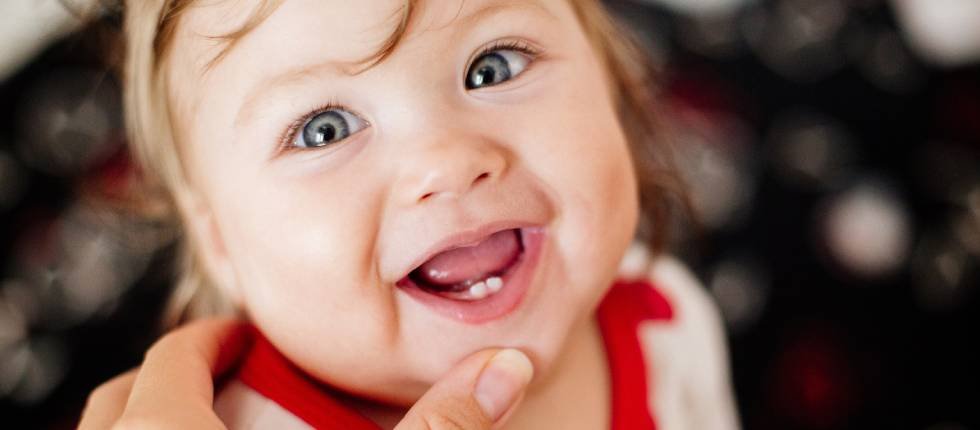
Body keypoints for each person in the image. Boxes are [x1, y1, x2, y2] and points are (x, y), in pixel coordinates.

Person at [81, 0, 740, 428]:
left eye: (494, 66)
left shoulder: (667, 324)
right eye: (324, 129)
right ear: (218, 239)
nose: (448, 161)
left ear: (612, 85)